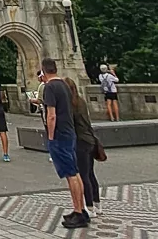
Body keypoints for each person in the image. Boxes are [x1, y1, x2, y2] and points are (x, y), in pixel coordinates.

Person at [41, 57, 88, 229]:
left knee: (71, 174)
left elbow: (51, 115)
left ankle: (78, 212)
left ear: (43, 71)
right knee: (74, 173)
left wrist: (51, 136)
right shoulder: (64, 85)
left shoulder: (50, 87)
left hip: (59, 135)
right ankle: (80, 210)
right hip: (69, 132)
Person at [65, 77, 102, 218]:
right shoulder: (81, 101)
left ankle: (89, 207)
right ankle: (97, 204)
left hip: (80, 142)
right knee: (91, 174)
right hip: (90, 139)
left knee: (83, 175)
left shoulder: (70, 105)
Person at [29, 71, 51, 162]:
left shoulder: (42, 86)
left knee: (49, 132)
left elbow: (40, 100)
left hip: (47, 111)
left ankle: (53, 153)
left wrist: (32, 100)